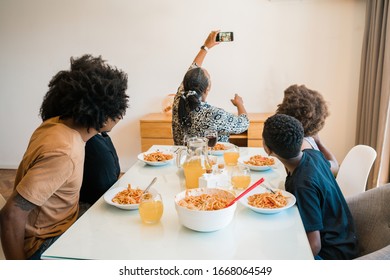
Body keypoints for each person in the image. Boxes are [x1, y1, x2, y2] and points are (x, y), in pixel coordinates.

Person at [0, 54, 129, 259]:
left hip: (66, 218)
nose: (122, 114)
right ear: (102, 113)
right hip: (45, 243)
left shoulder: (58, 125)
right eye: (118, 107)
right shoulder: (64, 152)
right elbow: (11, 215)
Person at [262, 114, 359, 260]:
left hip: (331, 255)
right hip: (346, 240)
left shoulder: (302, 186)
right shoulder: (313, 155)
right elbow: (334, 164)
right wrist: (319, 142)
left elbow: (314, 246)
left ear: (268, 150)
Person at [172, 30, 249, 145]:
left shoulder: (179, 100)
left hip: (184, 159)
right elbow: (243, 123)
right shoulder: (213, 114)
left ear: (185, 83)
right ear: (207, 88)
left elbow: (193, 69)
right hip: (210, 161)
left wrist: (206, 47)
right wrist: (239, 104)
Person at [276, 84, 339, 176]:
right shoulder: (309, 140)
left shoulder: (302, 146)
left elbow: (333, 169)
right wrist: (319, 142)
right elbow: (335, 166)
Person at [78, 132, 121, 216]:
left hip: (109, 196)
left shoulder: (100, 135)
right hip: (92, 205)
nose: (120, 118)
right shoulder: (91, 143)